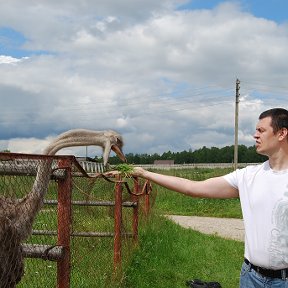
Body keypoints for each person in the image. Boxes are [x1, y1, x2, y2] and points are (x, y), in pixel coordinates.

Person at [131, 108, 288, 288]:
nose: (254, 135)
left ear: (282, 133)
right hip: (250, 278)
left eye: (261, 130)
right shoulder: (247, 177)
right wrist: (144, 173)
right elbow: (192, 187)